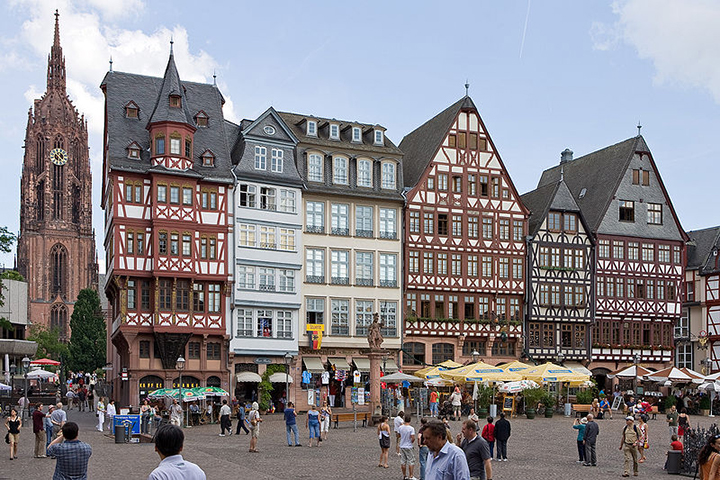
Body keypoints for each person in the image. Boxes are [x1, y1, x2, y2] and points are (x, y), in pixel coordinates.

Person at [397, 414, 417, 480]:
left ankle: (404, 475)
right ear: (410, 420)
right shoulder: (411, 428)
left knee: (403, 461)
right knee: (411, 461)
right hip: (409, 446)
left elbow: (398, 435)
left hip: (402, 445)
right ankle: (411, 475)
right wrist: (411, 441)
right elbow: (413, 438)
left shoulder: (400, 427)